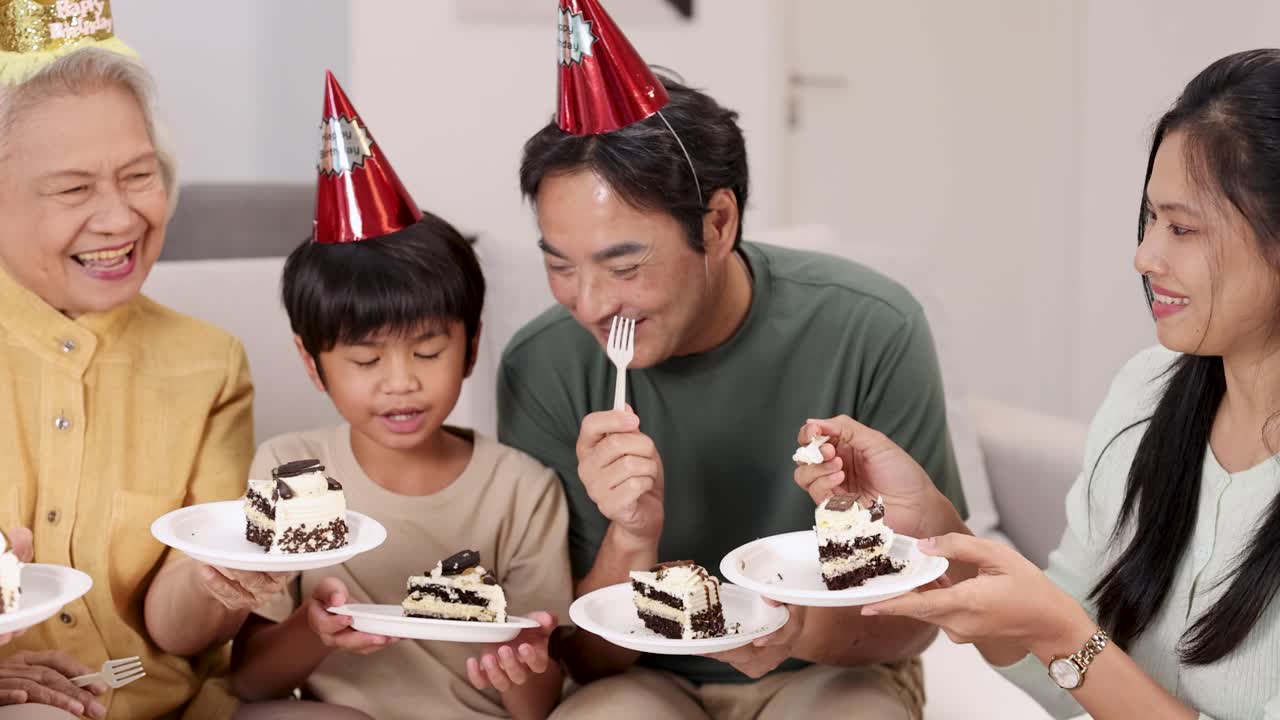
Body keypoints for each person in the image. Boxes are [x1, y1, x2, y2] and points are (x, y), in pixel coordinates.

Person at [498, 2, 965, 718]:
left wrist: (794, 628)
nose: (588, 305)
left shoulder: (870, 328)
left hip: (826, 669)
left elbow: (916, 620)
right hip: (639, 681)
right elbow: (582, 659)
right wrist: (632, 538)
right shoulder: (544, 366)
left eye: (623, 267)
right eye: (561, 266)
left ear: (717, 224)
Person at [796, 48, 1280, 720]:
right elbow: (1064, 677)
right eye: (1150, 220)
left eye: (1184, 227)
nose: (1145, 257)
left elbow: (1069, 642)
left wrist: (1062, 631)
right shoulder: (1148, 395)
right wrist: (930, 523)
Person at [0, 7, 366, 718]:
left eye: (139, 175)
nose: (119, 218)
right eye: (74, 189)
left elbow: (176, 628)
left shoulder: (208, 363)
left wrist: (222, 576)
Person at [229, 72, 572, 720]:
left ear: (471, 346)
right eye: (364, 358)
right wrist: (312, 629)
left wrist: (522, 662)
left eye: (427, 351)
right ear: (312, 363)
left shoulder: (522, 491)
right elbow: (250, 683)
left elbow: (537, 706)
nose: (400, 381)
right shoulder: (291, 470)